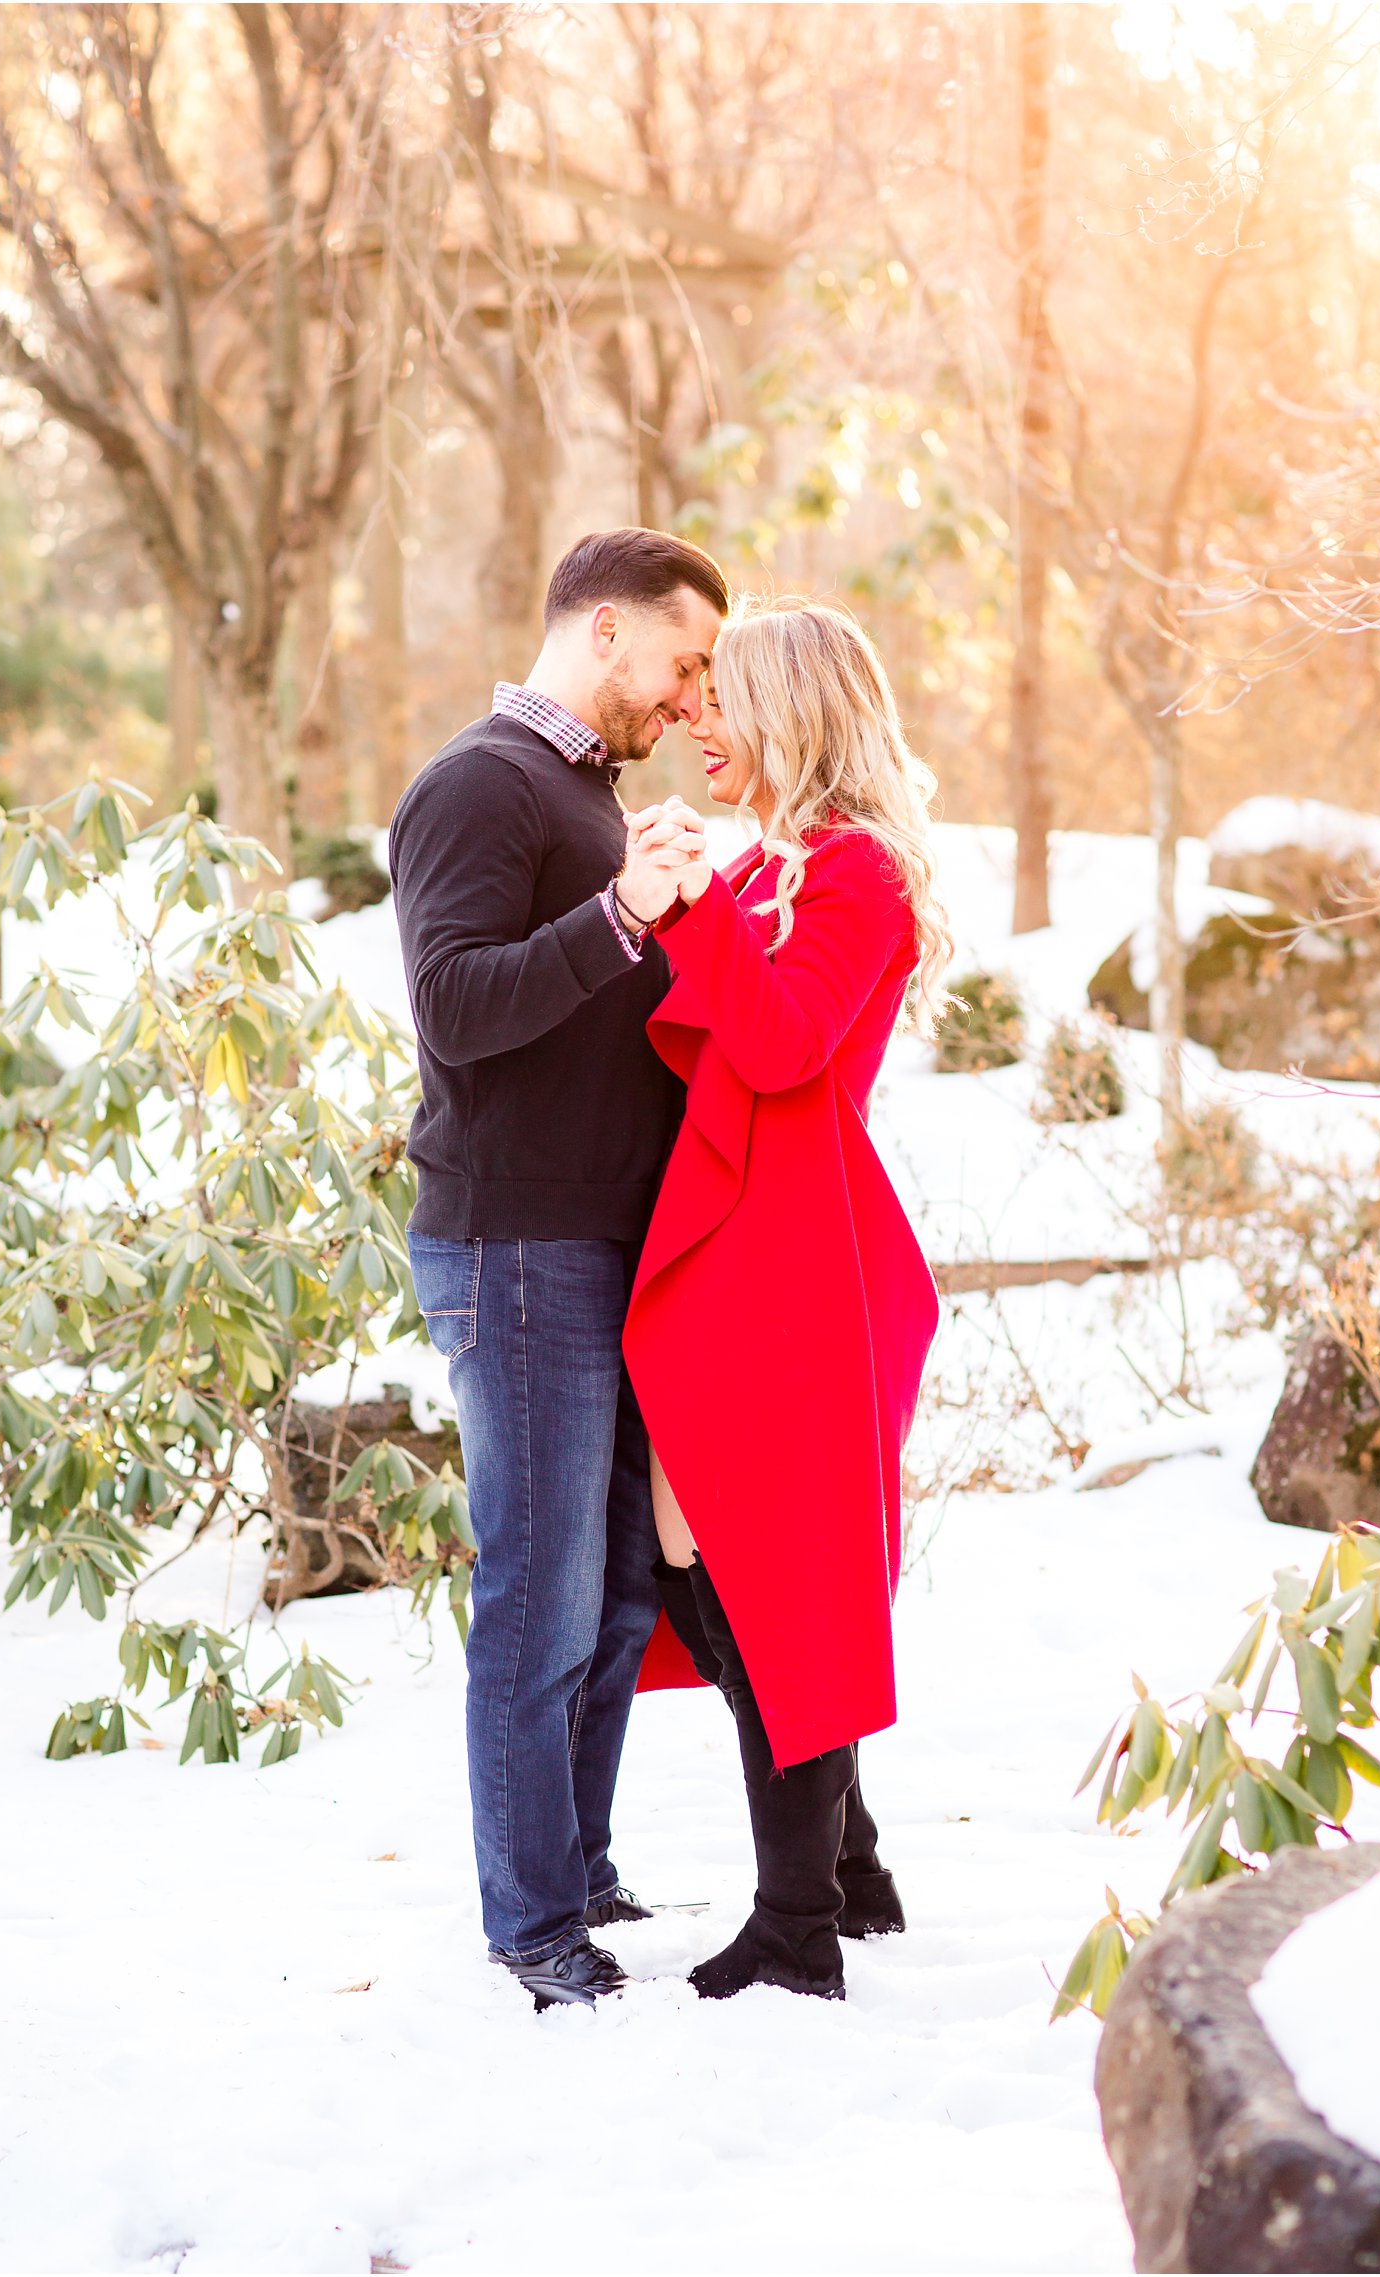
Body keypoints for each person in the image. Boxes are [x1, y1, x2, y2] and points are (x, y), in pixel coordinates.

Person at [386, 527, 728, 2011]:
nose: (691, 691)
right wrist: (618, 919)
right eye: (684, 657)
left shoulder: (586, 795)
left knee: (614, 1594)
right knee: (539, 1596)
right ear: (603, 630)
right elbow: (457, 1007)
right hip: (516, 1247)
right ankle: (532, 1923)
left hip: (596, 1247)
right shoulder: (477, 783)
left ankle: (575, 1865)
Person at [622, 596, 955, 2002]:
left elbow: (774, 1042)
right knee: (724, 1567)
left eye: (721, 696)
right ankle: (850, 1864)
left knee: (758, 1580)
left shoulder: (858, 872)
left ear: (791, 712)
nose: (699, 719)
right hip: (741, 1253)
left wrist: (699, 905)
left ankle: (796, 1921)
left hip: (800, 1268)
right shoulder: (780, 867)